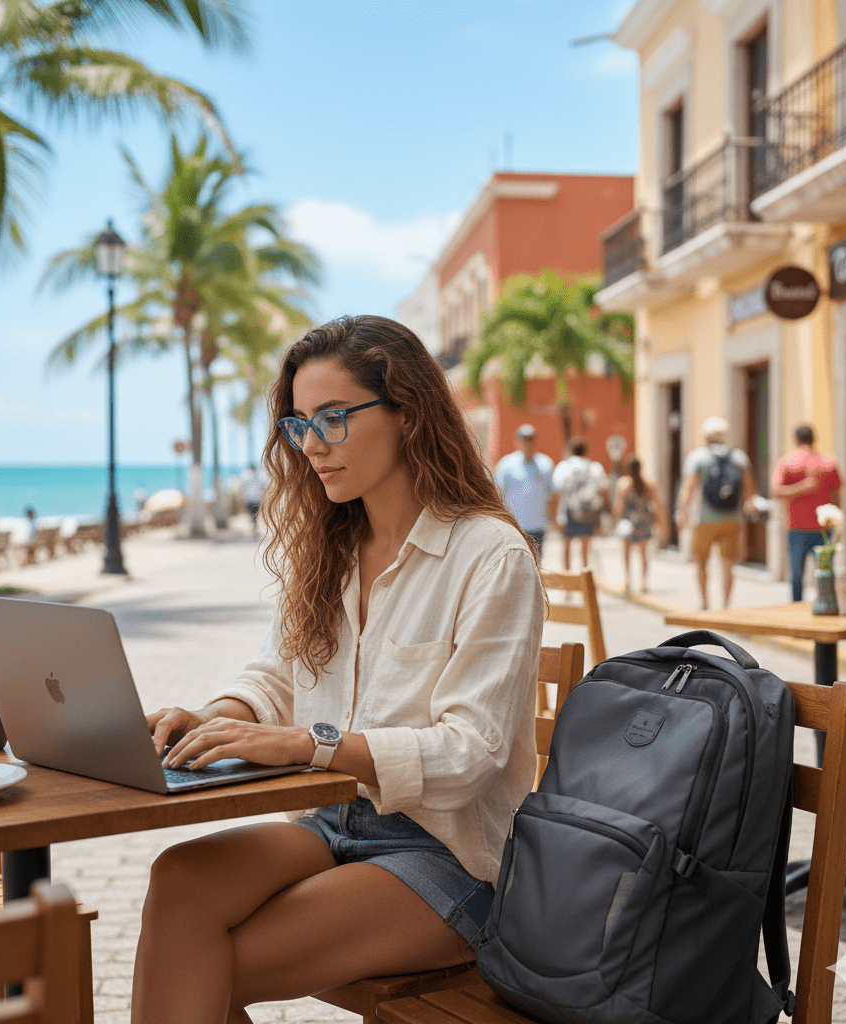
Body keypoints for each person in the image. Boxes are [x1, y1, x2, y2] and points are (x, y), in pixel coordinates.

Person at [132, 315, 544, 1024]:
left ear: (407, 412)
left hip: (447, 857)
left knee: (195, 963)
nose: (312, 445)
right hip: (332, 823)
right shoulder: (330, 548)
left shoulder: (489, 556)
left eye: (333, 418)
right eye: (298, 425)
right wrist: (214, 718)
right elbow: (276, 675)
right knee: (180, 879)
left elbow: (471, 753)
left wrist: (308, 744)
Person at [675, 417, 758, 610]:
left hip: (704, 519)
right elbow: (750, 490)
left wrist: (682, 512)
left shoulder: (698, 457)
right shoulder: (738, 457)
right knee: (728, 564)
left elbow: (689, 488)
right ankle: (726, 605)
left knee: (701, 563)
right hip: (732, 519)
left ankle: (705, 602)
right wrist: (749, 507)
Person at [771, 424, 843, 602]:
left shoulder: (787, 461)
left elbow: (776, 491)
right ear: (814, 438)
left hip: (797, 528)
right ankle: (826, 604)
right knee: (826, 573)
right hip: (823, 529)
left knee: (797, 575)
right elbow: (837, 495)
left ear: (795, 439)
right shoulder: (829, 461)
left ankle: (796, 609)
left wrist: (799, 488)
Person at [493, 424, 555, 559]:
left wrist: (554, 520)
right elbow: (497, 494)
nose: (527, 443)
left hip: (538, 525)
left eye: (530, 439)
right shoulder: (506, 464)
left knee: (537, 563)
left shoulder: (546, 464)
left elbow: (552, 494)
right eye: (524, 439)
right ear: (517, 441)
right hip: (515, 526)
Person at [552, 438, 609, 570]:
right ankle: (585, 581)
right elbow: (604, 490)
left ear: (571, 450)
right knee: (585, 548)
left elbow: (556, 491)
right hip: (588, 511)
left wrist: (554, 515)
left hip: (569, 512)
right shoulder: (595, 467)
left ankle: (568, 583)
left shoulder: (564, 466)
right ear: (586, 451)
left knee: (566, 547)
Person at [611, 455, 663, 596]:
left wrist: (616, 520)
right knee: (644, 554)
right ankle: (644, 583)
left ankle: (628, 581)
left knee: (627, 553)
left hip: (629, 522)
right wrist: (661, 524)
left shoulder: (623, 484)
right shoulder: (648, 484)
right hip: (644, 522)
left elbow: (619, 506)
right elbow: (658, 505)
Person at [241, 462, 267, 540]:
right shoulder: (258, 477)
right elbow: (263, 487)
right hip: (257, 499)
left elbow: (243, 488)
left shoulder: (246, 477)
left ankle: (254, 529)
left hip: (249, 500)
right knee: (255, 515)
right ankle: (255, 529)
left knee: (252, 515)